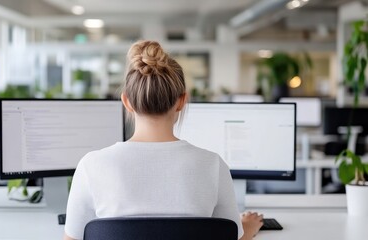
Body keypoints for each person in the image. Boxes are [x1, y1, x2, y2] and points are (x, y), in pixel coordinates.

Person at [64, 40, 263, 240]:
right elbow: (230, 238)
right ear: (181, 101)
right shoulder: (213, 165)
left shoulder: (92, 165)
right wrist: (248, 228)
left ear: (126, 102)